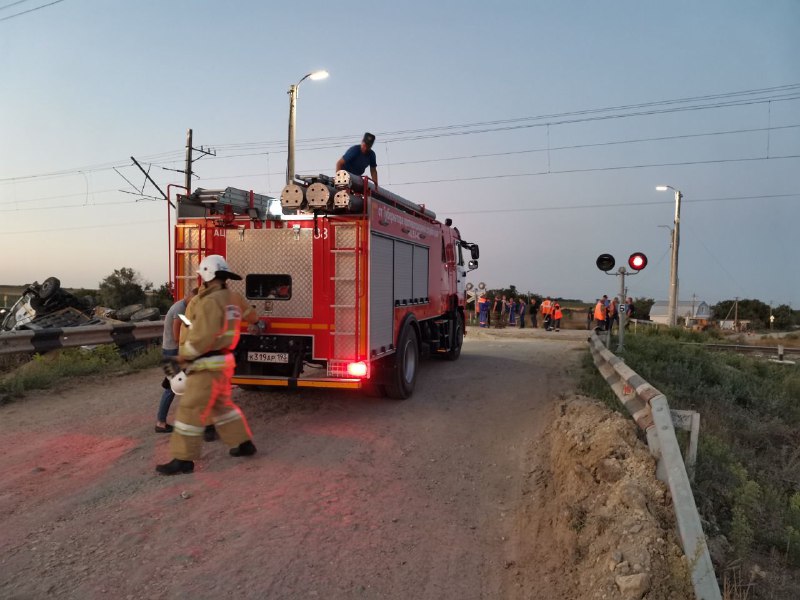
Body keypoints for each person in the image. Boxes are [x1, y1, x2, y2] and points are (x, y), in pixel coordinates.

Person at [156, 255, 260, 476]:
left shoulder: (208, 302)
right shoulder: (234, 297)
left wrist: (181, 358)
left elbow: (202, 338)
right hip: (224, 363)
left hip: (206, 365)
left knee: (190, 410)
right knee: (223, 408)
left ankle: (183, 459)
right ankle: (243, 444)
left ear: (208, 275)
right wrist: (256, 322)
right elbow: (252, 316)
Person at [155, 287, 197, 433]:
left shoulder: (184, 307)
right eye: (194, 300)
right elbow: (176, 336)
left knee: (181, 385)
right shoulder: (180, 308)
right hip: (172, 351)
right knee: (172, 388)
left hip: (174, 350)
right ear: (188, 296)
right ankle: (160, 423)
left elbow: (188, 326)